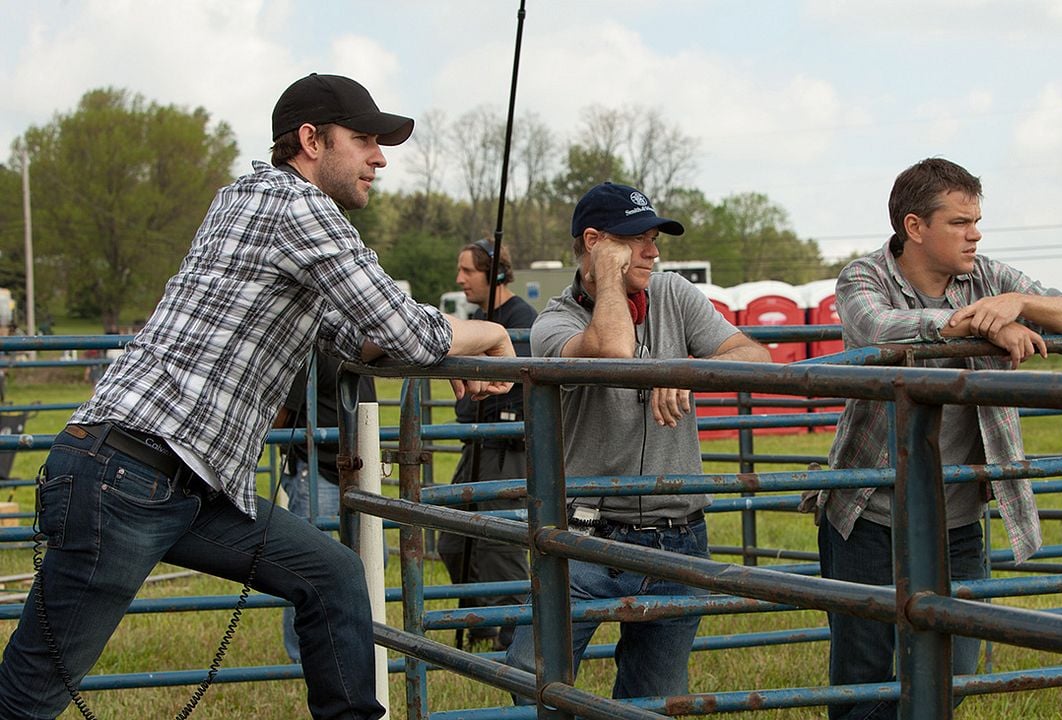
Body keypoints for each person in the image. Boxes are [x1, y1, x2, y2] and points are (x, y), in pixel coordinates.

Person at [0, 73, 515, 720]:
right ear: (310, 140)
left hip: (174, 481)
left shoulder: (245, 200)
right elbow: (406, 330)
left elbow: (356, 338)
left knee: (330, 576)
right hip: (130, 476)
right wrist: (491, 330)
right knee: (26, 698)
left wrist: (443, 352)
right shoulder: (299, 209)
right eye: (363, 140)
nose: (379, 158)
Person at [817, 158, 1062, 720]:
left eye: (976, 220)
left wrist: (1018, 305)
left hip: (958, 519)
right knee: (863, 681)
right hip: (869, 515)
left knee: (951, 672)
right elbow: (875, 329)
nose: (975, 234)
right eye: (959, 222)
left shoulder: (990, 277)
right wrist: (972, 324)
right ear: (915, 227)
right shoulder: (863, 275)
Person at [504, 181, 769, 700]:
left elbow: (756, 358)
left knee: (654, 698)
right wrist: (607, 276)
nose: (654, 250)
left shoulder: (673, 293)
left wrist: (691, 370)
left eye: (655, 237)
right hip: (586, 535)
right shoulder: (554, 322)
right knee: (530, 675)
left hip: (679, 533)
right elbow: (614, 349)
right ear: (595, 241)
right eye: (636, 239)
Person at [437, 240, 536, 651]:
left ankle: (514, 638)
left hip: (507, 446)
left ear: (495, 273)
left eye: (468, 271)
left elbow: (522, 391)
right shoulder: (479, 320)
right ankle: (481, 620)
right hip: (475, 445)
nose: (460, 280)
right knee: (454, 540)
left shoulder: (521, 321)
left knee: (500, 545)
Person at [275, 348, 377, 664]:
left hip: (355, 467)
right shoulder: (311, 344)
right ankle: (303, 655)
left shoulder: (359, 342)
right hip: (318, 468)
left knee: (371, 561)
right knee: (307, 568)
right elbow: (282, 413)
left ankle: (344, 646)